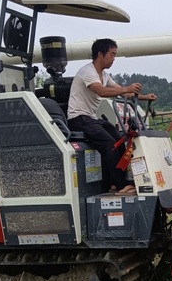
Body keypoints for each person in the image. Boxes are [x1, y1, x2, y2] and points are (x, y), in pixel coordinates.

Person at [67, 38, 157, 194]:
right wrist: (127, 88)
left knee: (120, 140)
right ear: (100, 54)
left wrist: (144, 97)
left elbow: (124, 93)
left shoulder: (104, 75)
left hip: (91, 118)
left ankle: (115, 182)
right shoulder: (88, 72)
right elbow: (102, 91)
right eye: (112, 54)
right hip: (78, 118)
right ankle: (121, 186)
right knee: (109, 144)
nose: (114, 59)